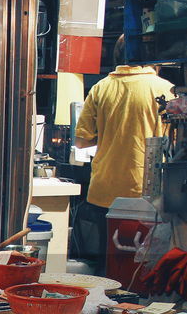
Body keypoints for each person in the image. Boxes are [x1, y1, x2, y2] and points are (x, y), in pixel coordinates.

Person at [72, 64, 173, 264]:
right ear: (155, 63)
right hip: (147, 191)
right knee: (143, 265)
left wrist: (111, 133)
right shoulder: (166, 89)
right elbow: (173, 141)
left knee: (108, 265)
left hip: (105, 192)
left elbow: (82, 140)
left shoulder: (101, 88)